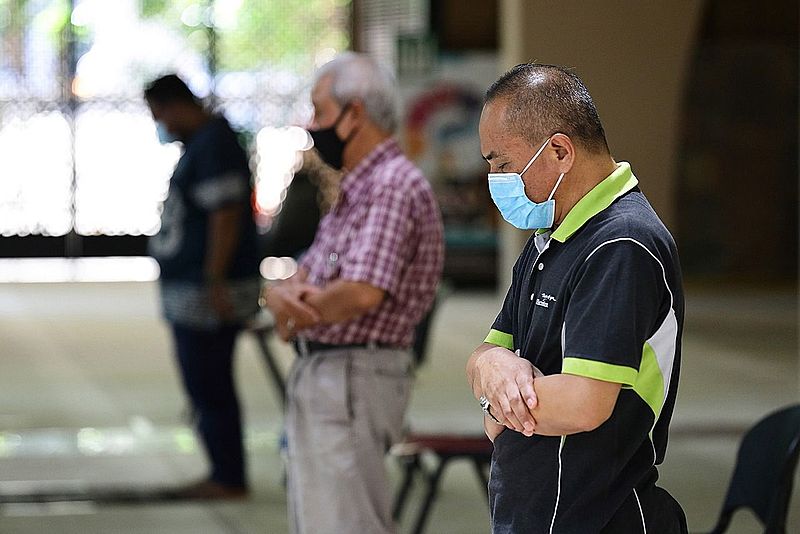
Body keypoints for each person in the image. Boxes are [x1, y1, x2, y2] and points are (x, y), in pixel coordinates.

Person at [466, 63, 687, 533]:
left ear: (560, 151)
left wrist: (493, 398)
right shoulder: (551, 237)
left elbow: (582, 403)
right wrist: (490, 367)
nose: (495, 180)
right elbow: (487, 353)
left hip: (597, 517)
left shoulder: (622, 244)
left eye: (503, 164)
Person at [262, 52, 444, 534]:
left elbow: (362, 292)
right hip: (332, 370)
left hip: (353, 373)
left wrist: (292, 310)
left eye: (320, 111)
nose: (312, 125)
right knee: (322, 517)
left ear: (355, 112)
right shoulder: (357, 188)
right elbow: (306, 276)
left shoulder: (391, 186)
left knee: (345, 523)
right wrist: (281, 298)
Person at [144, 74, 260, 499]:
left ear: (177, 105)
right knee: (203, 381)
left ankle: (228, 475)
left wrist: (215, 278)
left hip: (209, 291)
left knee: (209, 380)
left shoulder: (214, 144)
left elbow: (225, 216)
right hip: (194, 289)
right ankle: (221, 469)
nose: (163, 126)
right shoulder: (202, 143)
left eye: (162, 115)